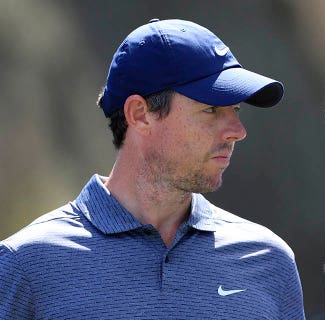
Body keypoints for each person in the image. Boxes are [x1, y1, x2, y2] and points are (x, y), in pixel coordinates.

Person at [0, 19, 305, 319]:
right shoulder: (26, 264)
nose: (237, 131)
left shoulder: (269, 261)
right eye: (211, 109)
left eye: (235, 110)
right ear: (140, 114)